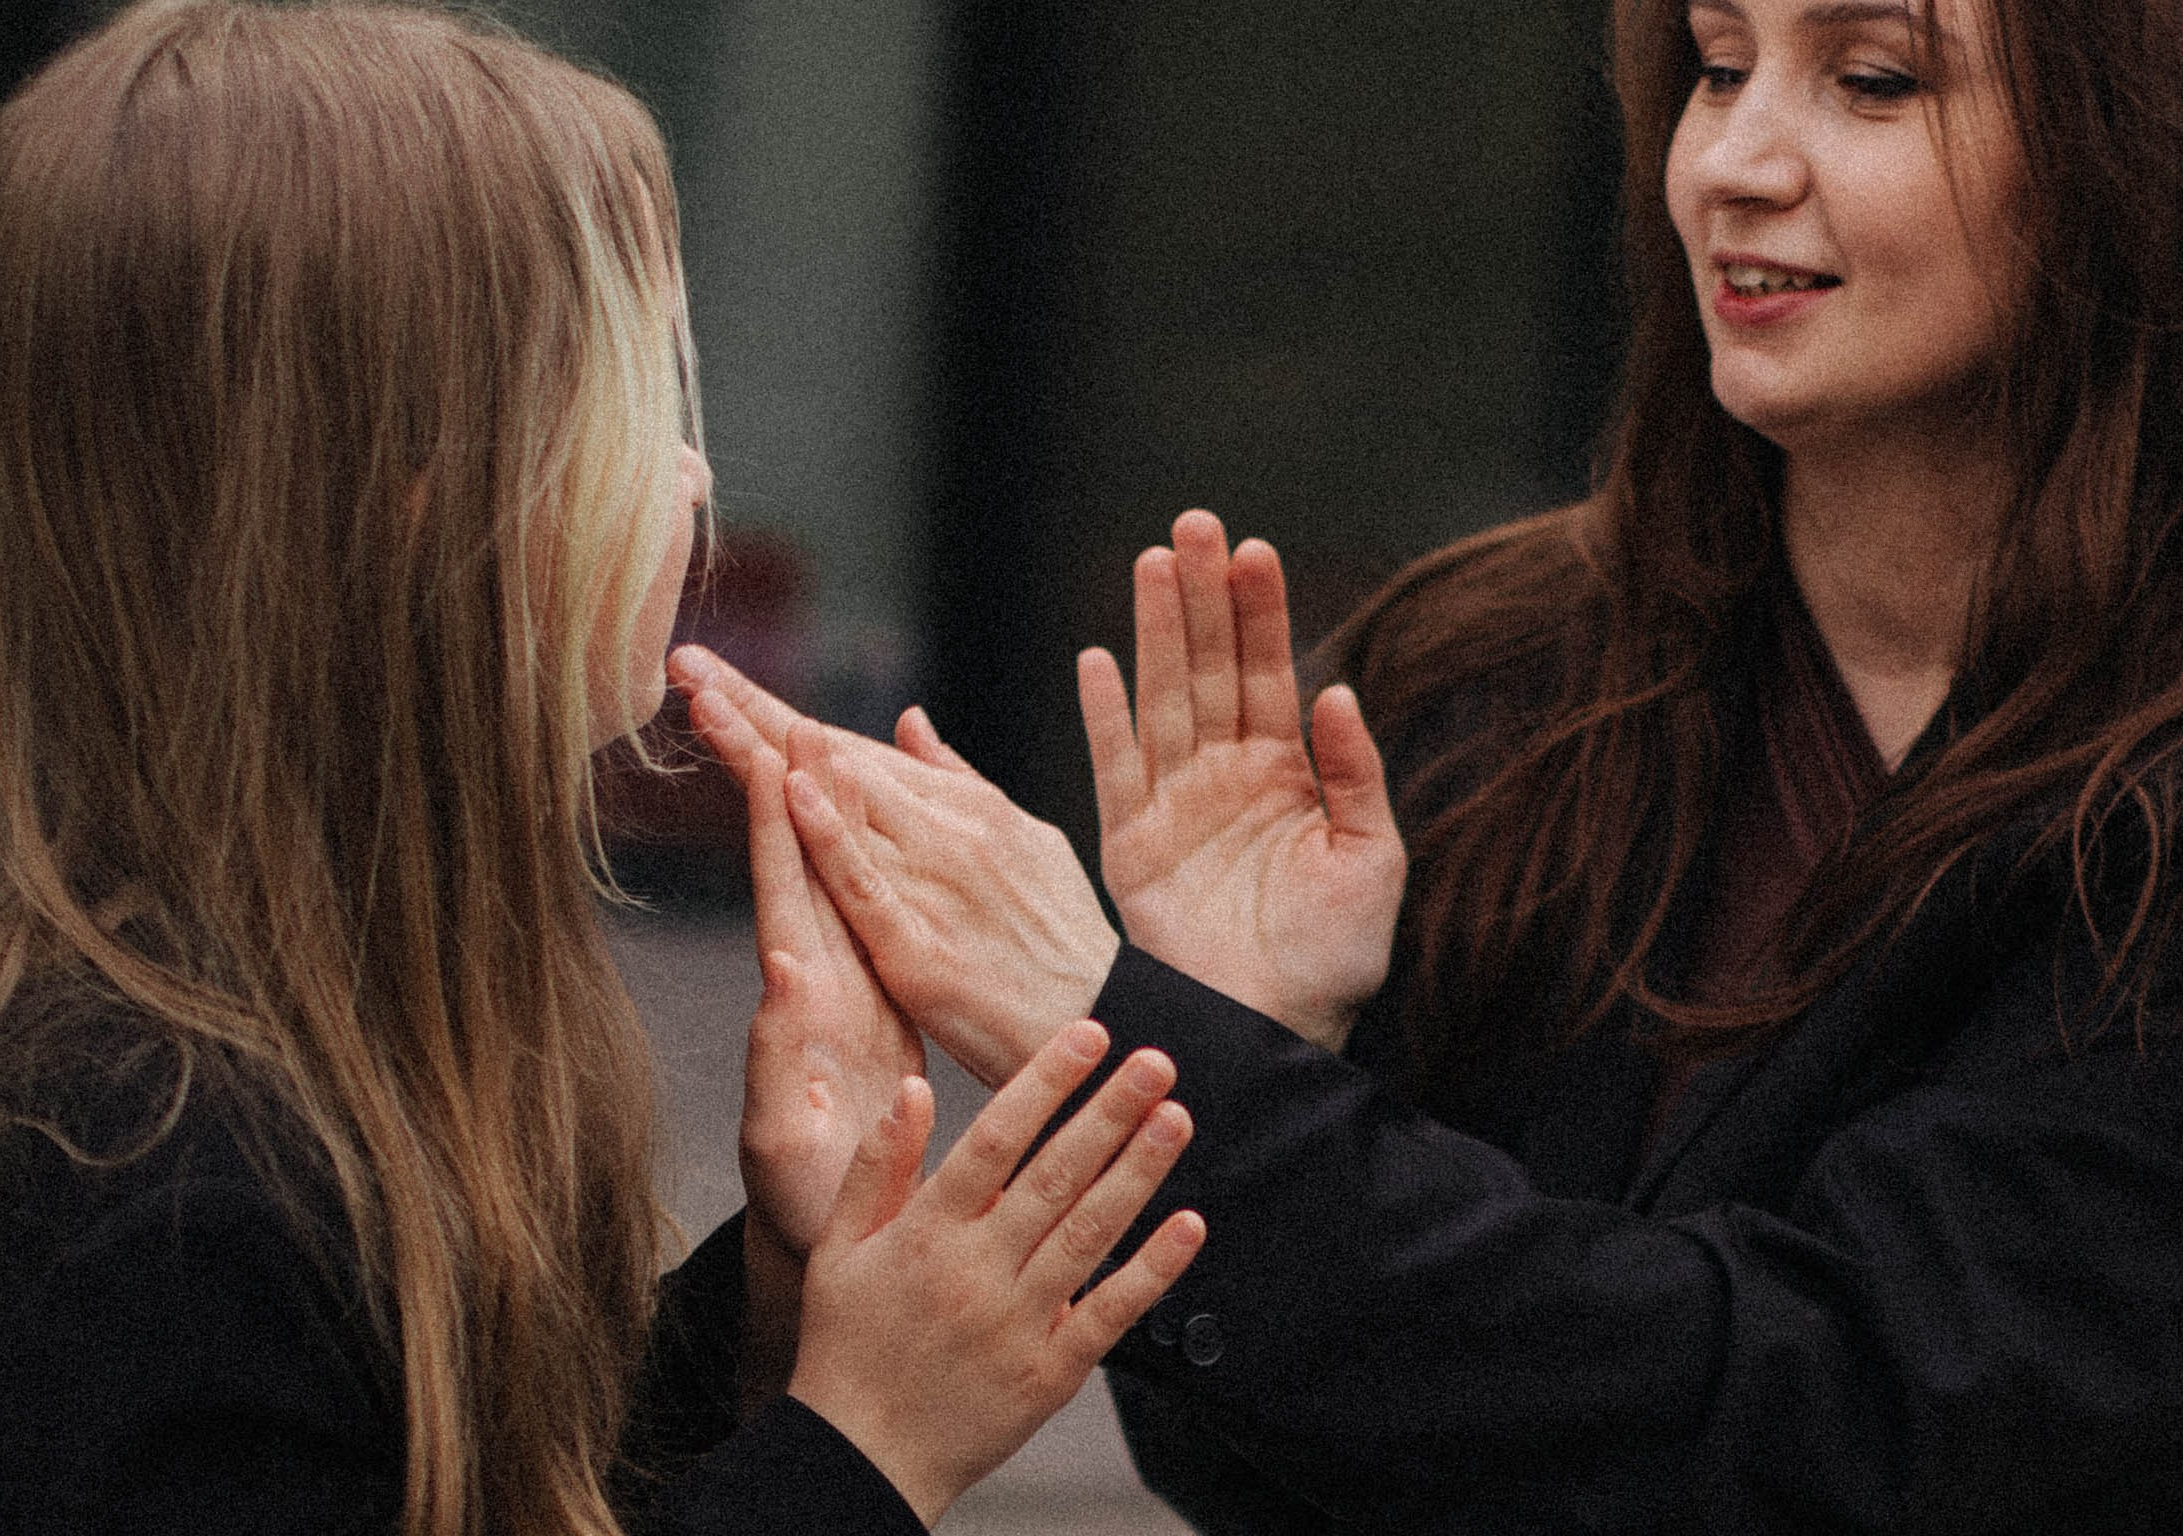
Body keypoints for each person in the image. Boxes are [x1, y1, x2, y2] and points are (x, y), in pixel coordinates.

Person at [670, 0, 2183, 1526]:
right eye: (1718, 67)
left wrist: (1140, 1039)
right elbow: (1269, 1468)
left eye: (1872, 82)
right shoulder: (1497, 673)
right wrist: (1256, 1032)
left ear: (2125, 144)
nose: (1734, 158)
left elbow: (1828, 1420)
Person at [0, 4, 1210, 1534]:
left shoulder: (288, 1043)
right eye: (639, 401)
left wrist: (776, 1308)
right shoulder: (143, 1186)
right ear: (414, 502)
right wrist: (864, 1452)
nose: (698, 479)